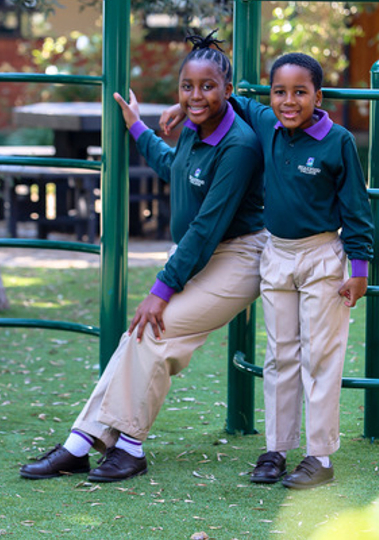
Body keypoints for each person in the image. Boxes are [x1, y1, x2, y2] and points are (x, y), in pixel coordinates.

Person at [19, 31, 267, 483]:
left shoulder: (240, 147)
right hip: (202, 255)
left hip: (239, 257)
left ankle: (128, 447)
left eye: (208, 86)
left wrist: (161, 289)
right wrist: (137, 126)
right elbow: (173, 166)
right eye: (187, 87)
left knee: (157, 327)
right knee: (138, 337)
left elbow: (206, 229)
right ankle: (81, 443)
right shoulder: (195, 129)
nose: (196, 96)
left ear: (228, 90)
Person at [161, 52, 374, 489]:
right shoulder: (266, 125)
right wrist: (182, 108)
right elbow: (230, 100)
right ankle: (276, 448)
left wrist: (359, 267)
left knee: (321, 356)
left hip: (320, 258)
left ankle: (320, 457)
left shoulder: (337, 141)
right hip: (275, 255)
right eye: (280, 92)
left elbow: (356, 208)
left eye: (300, 92)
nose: (288, 101)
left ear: (319, 95)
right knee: (280, 356)